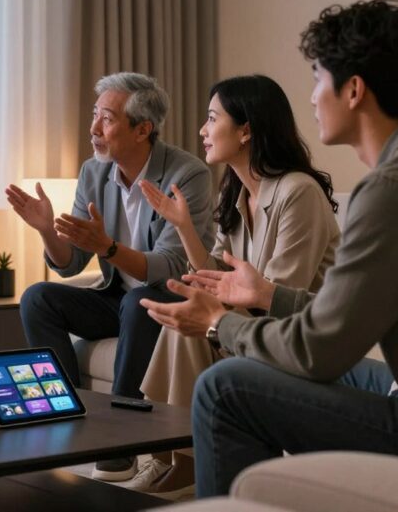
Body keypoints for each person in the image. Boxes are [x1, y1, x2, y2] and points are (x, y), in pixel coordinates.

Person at [139, 0, 398, 498]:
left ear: (353, 90)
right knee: (250, 362)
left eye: (317, 79)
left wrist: (221, 323)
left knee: (227, 387)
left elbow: (317, 353)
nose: (311, 98)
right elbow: (345, 317)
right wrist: (268, 295)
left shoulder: (397, 186)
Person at [124, 74, 341, 497]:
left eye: (211, 119)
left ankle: (180, 462)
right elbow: (215, 278)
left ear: (246, 130)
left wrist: (212, 308)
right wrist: (185, 226)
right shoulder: (239, 192)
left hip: (294, 333)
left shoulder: (298, 193)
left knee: (191, 320)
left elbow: (276, 295)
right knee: (186, 313)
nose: (202, 131)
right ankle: (175, 459)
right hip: (251, 323)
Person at [6, 71, 215, 482]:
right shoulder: (94, 172)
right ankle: (66, 422)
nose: (93, 129)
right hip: (117, 297)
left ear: (143, 130)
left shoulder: (187, 175)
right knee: (38, 298)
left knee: (140, 303)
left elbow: (173, 265)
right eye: (95, 115)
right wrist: (48, 230)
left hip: (168, 296)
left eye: (106, 118)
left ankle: (120, 445)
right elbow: (70, 263)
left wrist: (110, 250)